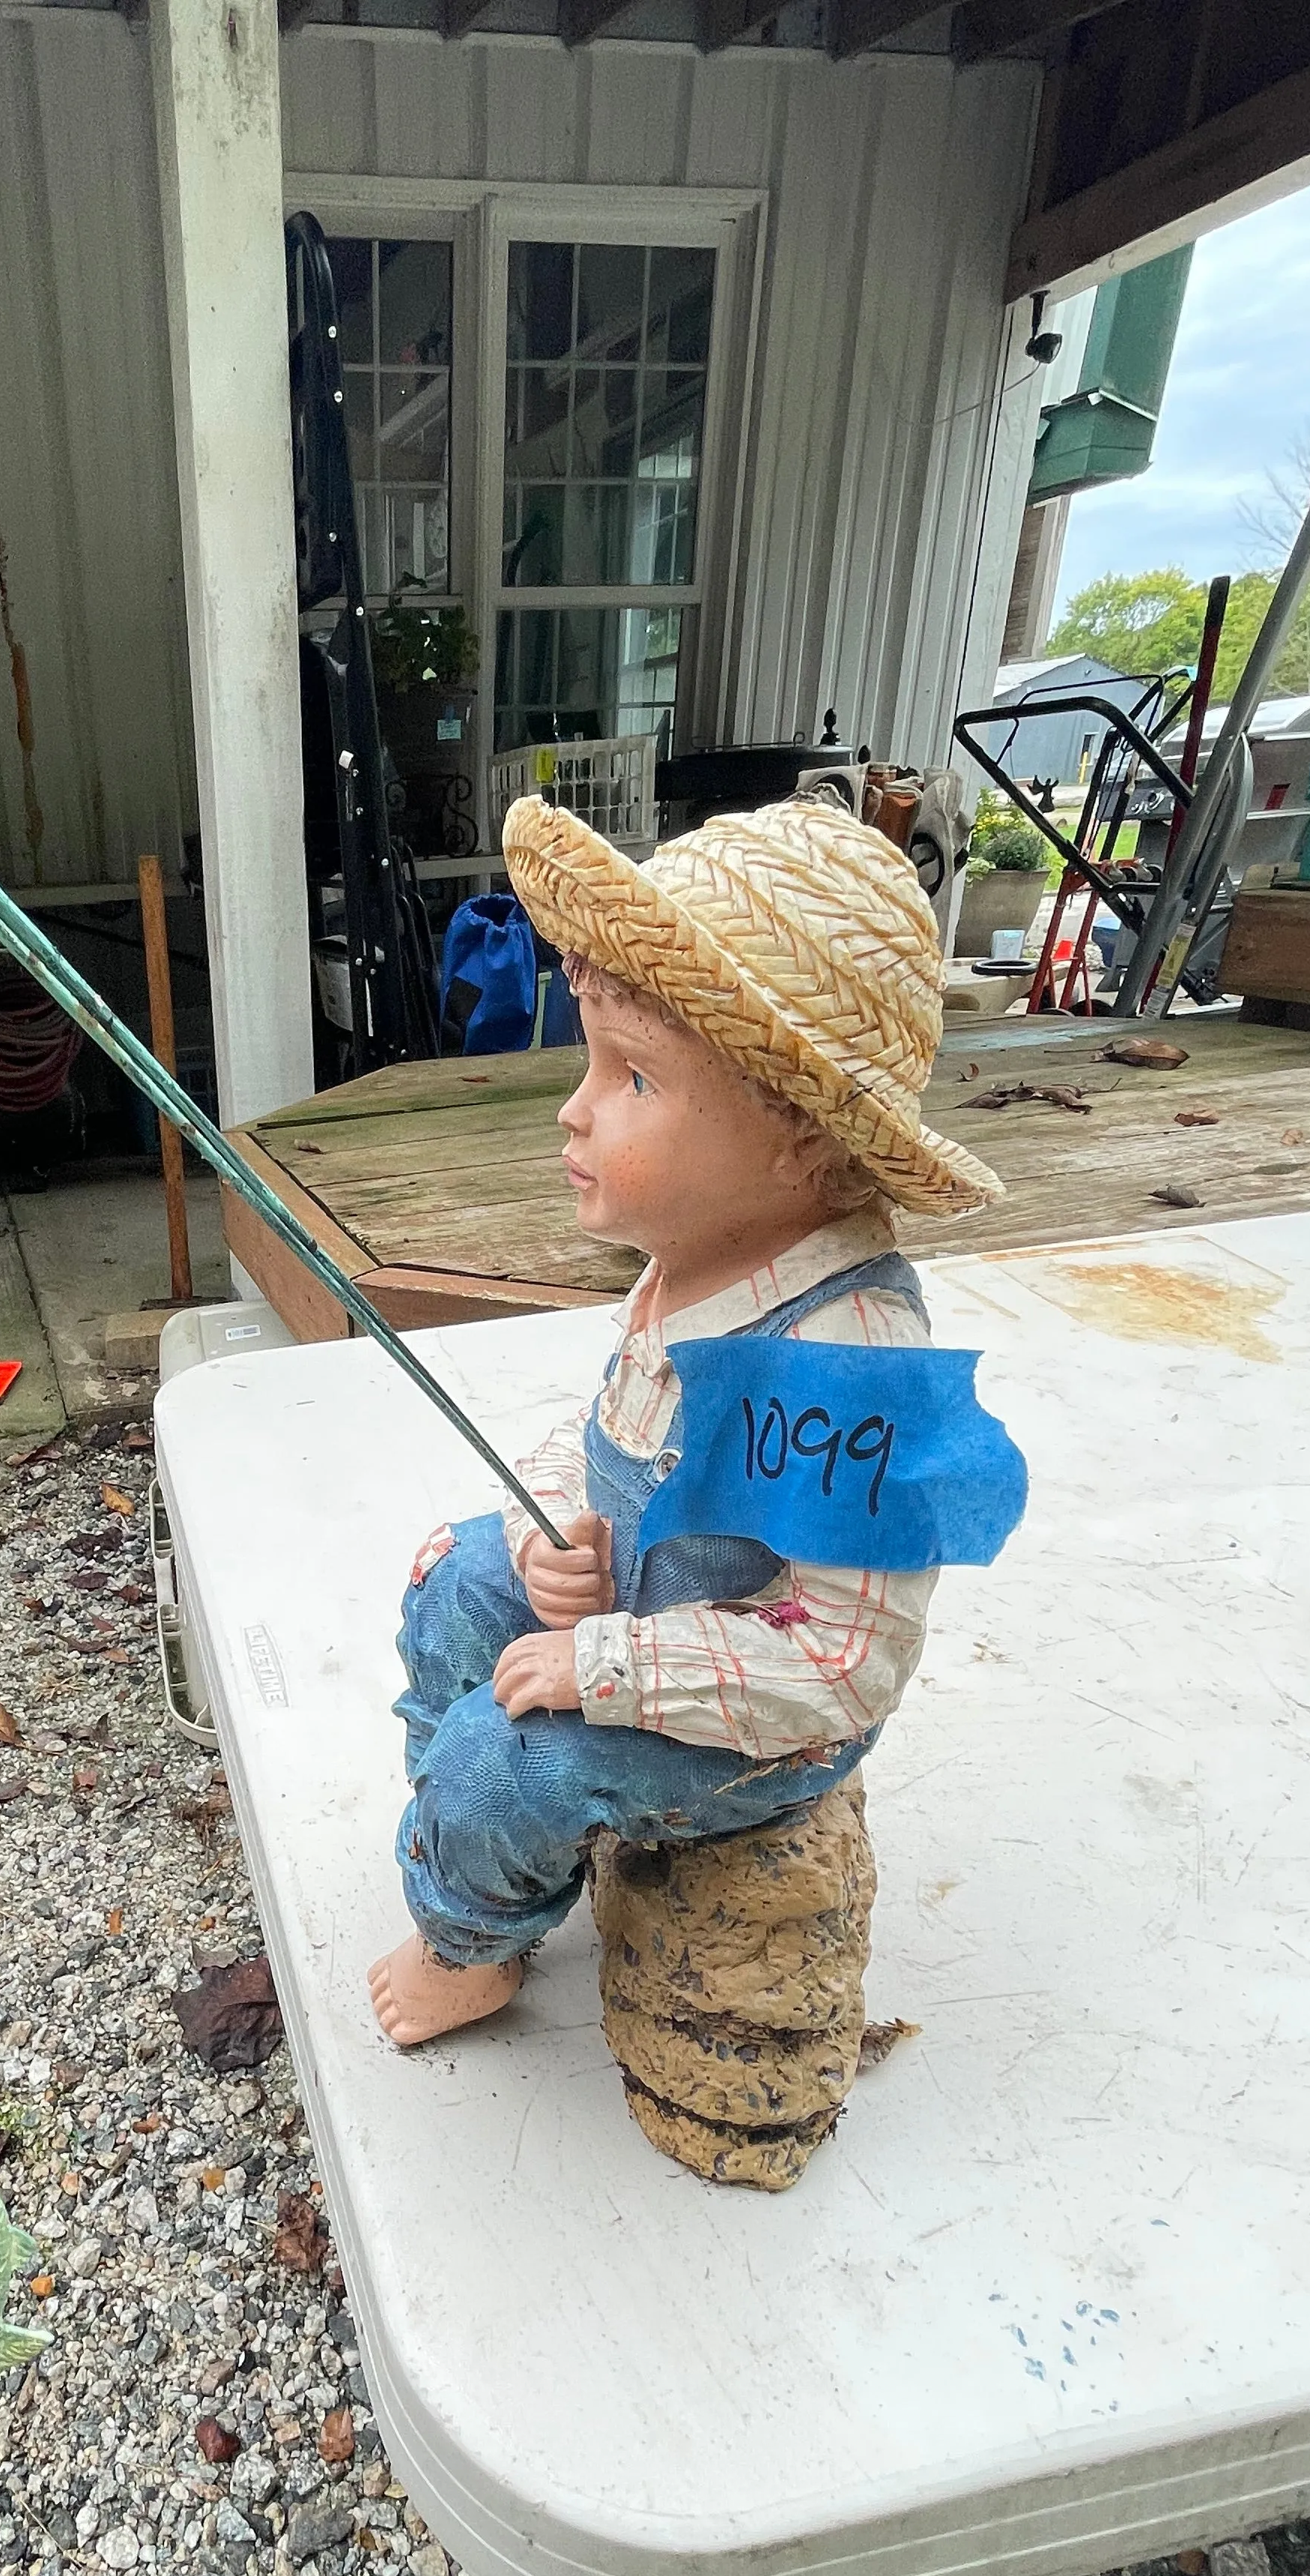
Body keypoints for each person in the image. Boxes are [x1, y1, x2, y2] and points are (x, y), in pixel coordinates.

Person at [369, 795, 1003, 2050]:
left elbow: (843, 1663)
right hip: (641, 1605)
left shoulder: (850, 1368)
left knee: (517, 1754)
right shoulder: (696, 1262)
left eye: (635, 1076)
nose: (576, 1109)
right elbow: (612, 1428)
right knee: (458, 1582)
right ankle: (483, 1845)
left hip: (758, 1713)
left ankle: (470, 1929)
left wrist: (607, 1669)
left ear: (800, 1138)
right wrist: (557, 1525)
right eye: (592, 1062)